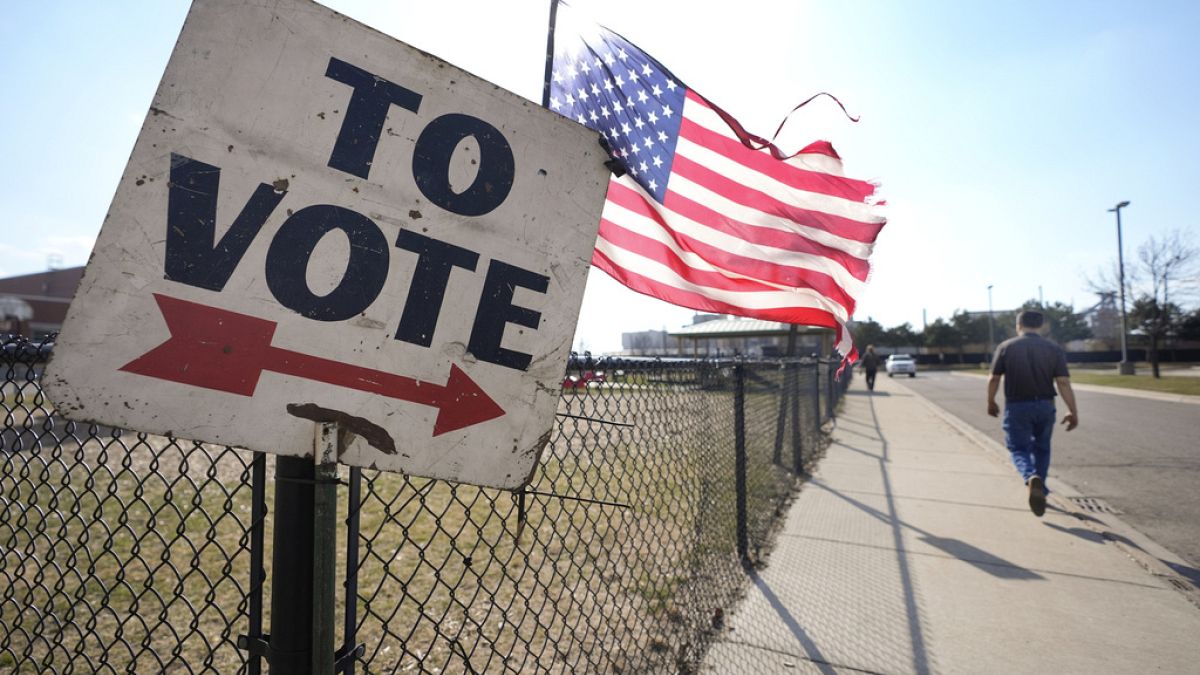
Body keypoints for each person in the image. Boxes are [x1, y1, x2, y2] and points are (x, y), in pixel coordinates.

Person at [986, 310, 1079, 516]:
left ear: (1018, 325)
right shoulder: (1053, 349)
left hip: (1017, 406)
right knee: (1042, 448)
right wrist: (1072, 411)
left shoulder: (1006, 347)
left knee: (1018, 449)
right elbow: (1063, 382)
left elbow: (994, 378)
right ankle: (1041, 489)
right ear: (1042, 326)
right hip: (1046, 405)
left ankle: (1030, 477)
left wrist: (990, 401)